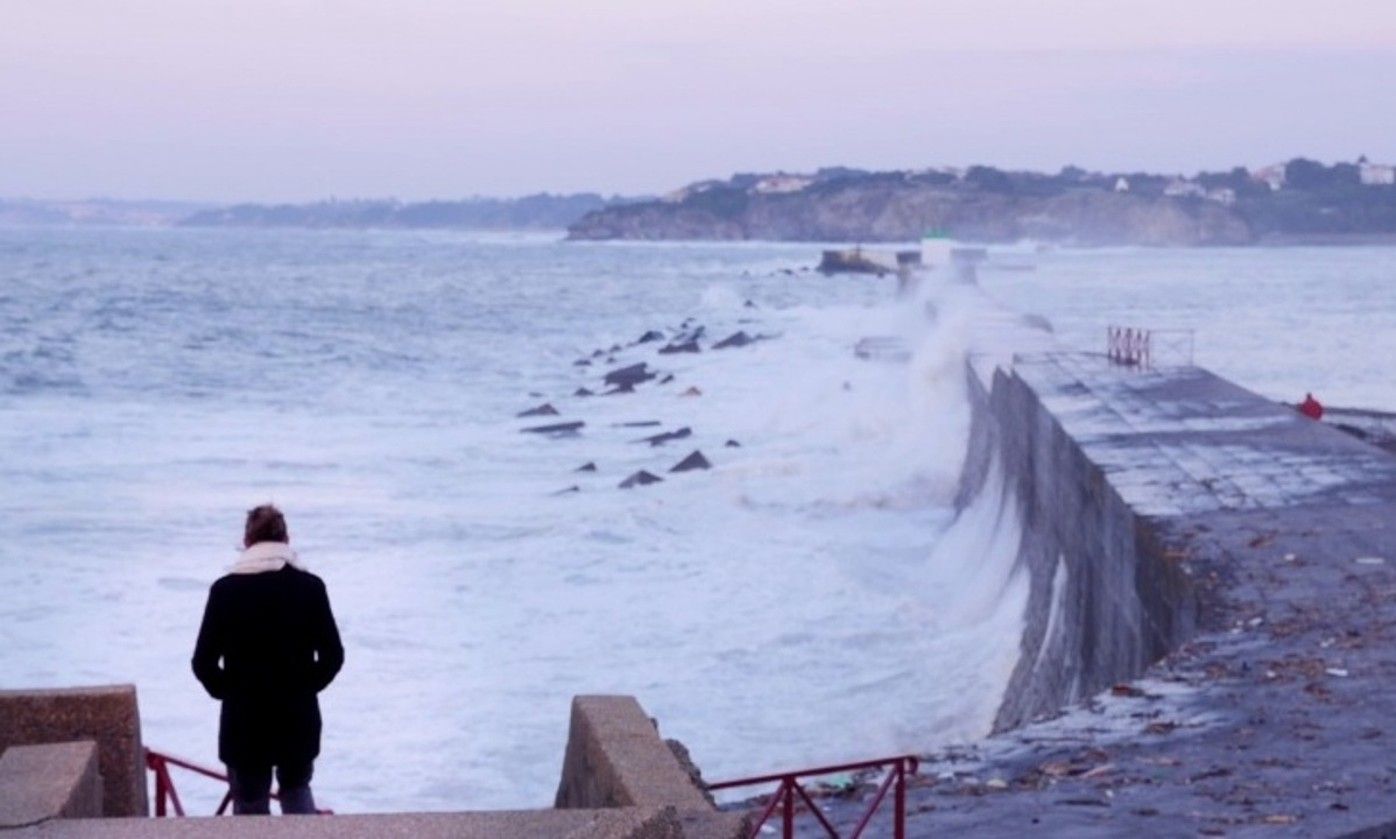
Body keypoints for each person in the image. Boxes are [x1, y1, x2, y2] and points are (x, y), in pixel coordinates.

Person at [192, 504, 344, 815]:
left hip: (244, 719)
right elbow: (333, 655)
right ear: (286, 538)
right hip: (297, 716)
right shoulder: (310, 587)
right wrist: (305, 686)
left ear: (247, 541)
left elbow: (202, 662)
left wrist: (230, 691)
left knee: (249, 805)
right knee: (297, 790)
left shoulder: (225, 590)